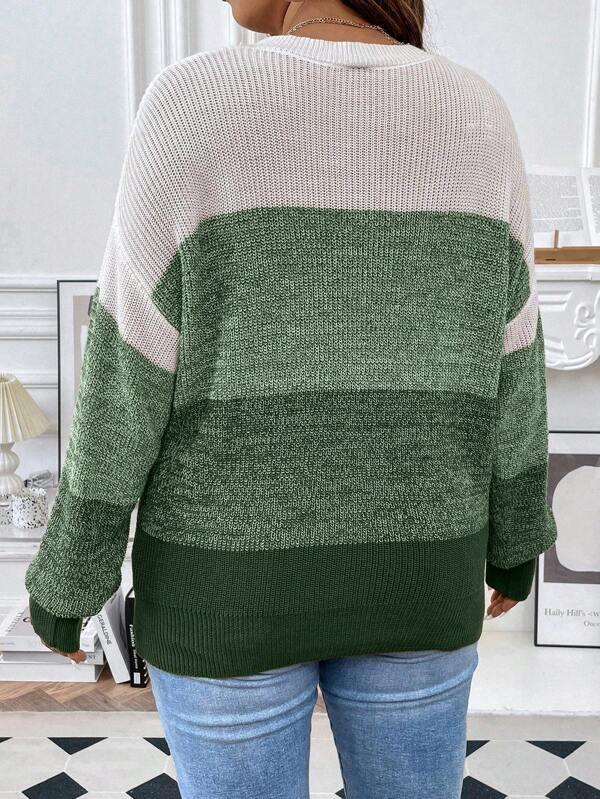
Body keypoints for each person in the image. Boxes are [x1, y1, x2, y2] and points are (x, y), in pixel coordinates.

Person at [25, 1, 558, 797]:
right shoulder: (477, 113)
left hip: (222, 591)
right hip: (421, 572)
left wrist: (73, 570)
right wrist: (516, 536)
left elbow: (126, 371)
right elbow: (515, 354)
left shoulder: (192, 103)